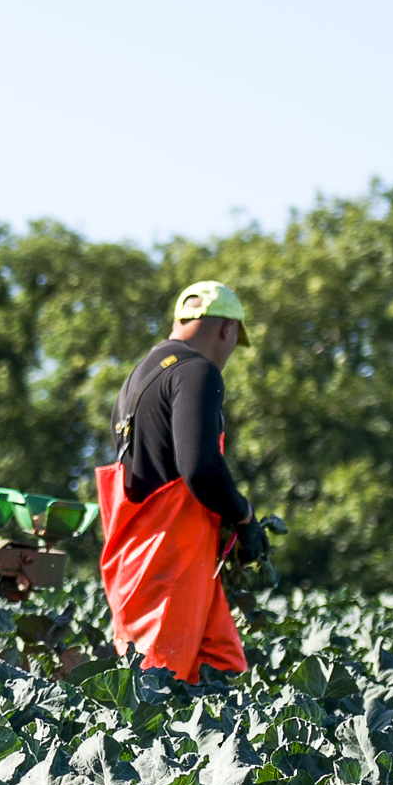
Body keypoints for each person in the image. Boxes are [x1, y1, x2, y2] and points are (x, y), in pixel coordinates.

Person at [97, 280, 269, 681]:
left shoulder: (138, 378)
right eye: (233, 341)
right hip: (168, 568)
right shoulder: (197, 371)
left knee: (221, 673)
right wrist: (243, 517)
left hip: (143, 559)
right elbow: (200, 468)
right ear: (228, 329)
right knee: (159, 694)